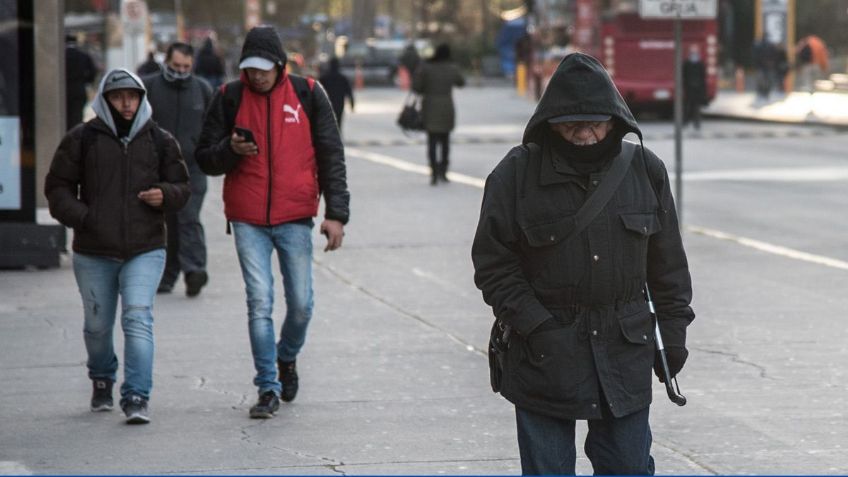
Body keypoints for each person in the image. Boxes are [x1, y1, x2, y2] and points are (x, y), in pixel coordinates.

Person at [471, 53, 695, 475]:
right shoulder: (515, 175)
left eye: (595, 122)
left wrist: (673, 332)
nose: (584, 133)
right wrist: (537, 325)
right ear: (550, 122)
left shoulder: (645, 170)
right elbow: (493, 264)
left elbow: (668, 267)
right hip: (544, 353)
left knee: (629, 468)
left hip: (624, 352)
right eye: (571, 123)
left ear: (614, 119)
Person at [196, 26, 350, 420]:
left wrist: (336, 214)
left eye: (264, 69)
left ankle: (286, 357)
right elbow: (205, 158)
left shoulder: (308, 93)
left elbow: (331, 155)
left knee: (301, 305)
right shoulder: (229, 97)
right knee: (259, 301)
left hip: (295, 216)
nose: (257, 76)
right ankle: (267, 387)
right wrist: (231, 150)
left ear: (280, 65)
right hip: (247, 218)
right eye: (250, 68)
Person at [44, 68, 190, 424]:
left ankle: (137, 395)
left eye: (132, 96)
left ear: (141, 99)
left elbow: (182, 186)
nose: (126, 103)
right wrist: (85, 217)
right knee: (97, 326)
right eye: (118, 97)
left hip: (146, 247)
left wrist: (165, 194)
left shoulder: (160, 140)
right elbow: (57, 188)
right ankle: (101, 376)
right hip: (93, 250)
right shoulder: (82, 138)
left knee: (137, 318)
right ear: (104, 100)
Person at [143, 42, 214, 297]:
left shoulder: (202, 89)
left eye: (186, 66)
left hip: (192, 168)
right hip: (158, 168)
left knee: (188, 216)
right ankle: (167, 275)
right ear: (166, 62)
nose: (181, 71)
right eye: (176, 66)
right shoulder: (149, 87)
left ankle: (194, 270)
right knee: (167, 222)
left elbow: (212, 127)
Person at [412, 43, 465, 185]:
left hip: (429, 107)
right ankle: (444, 170)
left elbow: (417, 87)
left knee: (432, 141)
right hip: (446, 107)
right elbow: (461, 82)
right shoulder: (452, 67)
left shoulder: (426, 68)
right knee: (445, 141)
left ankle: (434, 172)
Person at [65, 34, 98, 130]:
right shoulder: (83, 55)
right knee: (77, 116)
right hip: (79, 89)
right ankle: (76, 134)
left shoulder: (61, 56)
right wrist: (86, 81)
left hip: (64, 90)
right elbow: (93, 72)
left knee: (64, 115)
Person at [318, 57, 354, 132]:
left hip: (327, 105)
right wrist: (352, 103)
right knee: (338, 121)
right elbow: (349, 92)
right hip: (339, 104)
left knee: (328, 122)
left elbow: (318, 92)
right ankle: (337, 135)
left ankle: (329, 135)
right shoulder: (342, 78)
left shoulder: (324, 78)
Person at [682, 44, 707, 130]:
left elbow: (703, 77)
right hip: (689, 88)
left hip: (697, 89)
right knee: (688, 106)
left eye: (695, 52)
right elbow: (684, 76)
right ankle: (686, 121)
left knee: (696, 107)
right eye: (692, 53)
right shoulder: (687, 63)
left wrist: (703, 90)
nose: (694, 54)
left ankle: (696, 123)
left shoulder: (700, 64)